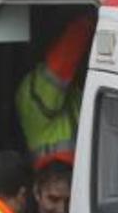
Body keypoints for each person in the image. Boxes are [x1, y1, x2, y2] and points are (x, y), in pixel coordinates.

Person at [16, 14, 93, 172]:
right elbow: (62, 62)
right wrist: (89, 21)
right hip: (53, 183)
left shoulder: (75, 93)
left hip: (79, 182)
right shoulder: (33, 91)